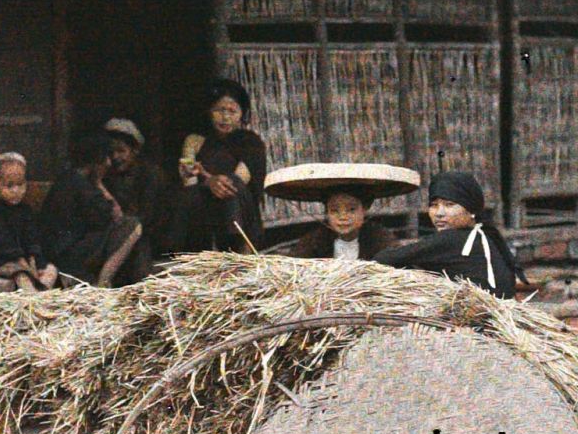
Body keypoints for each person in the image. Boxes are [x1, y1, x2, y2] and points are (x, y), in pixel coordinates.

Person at [39, 119, 161, 286]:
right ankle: (104, 283)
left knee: (137, 238)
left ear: (135, 151)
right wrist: (99, 183)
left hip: (73, 249)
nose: (113, 160)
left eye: (121, 151)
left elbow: (147, 218)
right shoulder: (83, 183)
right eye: (109, 155)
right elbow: (114, 218)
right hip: (68, 256)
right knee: (131, 226)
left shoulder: (149, 175)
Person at [375, 170, 520, 297]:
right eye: (434, 205)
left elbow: (384, 259)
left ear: (471, 209)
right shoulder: (484, 236)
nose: (439, 213)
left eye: (449, 205)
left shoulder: (453, 240)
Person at [172, 78, 268, 254]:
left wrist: (208, 178)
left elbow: (238, 180)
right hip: (205, 208)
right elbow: (190, 182)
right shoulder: (195, 141)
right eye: (219, 110)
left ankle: (238, 252)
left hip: (239, 211)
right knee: (187, 195)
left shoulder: (251, 142)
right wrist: (199, 178)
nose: (225, 117)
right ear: (210, 111)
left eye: (232, 111)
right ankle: (194, 253)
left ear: (241, 114)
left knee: (231, 189)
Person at [0, 151, 59, 292]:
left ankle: (44, 294)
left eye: (20, 184)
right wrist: (23, 263)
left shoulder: (24, 210)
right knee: (22, 275)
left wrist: (33, 258)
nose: (16, 191)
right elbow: (2, 244)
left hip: (23, 259)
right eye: (9, 186)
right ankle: (32, 300)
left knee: (50, 269)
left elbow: (31, 237)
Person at [286, 188, 400, 261]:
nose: (343, 217)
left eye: (351, 209)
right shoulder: (315, 241)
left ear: (364, 209)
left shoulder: (380, 238)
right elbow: (295, 266)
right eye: (334, 211)